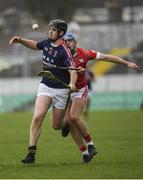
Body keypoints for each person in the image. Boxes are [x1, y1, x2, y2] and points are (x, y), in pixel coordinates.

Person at [62, 32, 139, 163]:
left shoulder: (84, 53)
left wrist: (126, 63)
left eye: (70, 41)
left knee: (74, 117)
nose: (68, 43)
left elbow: (107, 58)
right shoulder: (62, 56)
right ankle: (85, 153)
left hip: (80, 90)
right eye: (65, 41)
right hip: (66, 92)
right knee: (67, 123)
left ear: (76, 42)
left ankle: (91, 145)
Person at [9, 20, 78, 164]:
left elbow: (73, 70)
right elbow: (35, 45)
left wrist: (72, 83)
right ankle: (31, 153)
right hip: (45, 85)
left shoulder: (64, 51)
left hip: (60, 90)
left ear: (61, 33)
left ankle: (66, 122)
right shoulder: (46, 43)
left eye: (54, 30)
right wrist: (20, 40)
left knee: (56, 126)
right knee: (37, 117)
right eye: (50, 29)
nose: (50, 31)